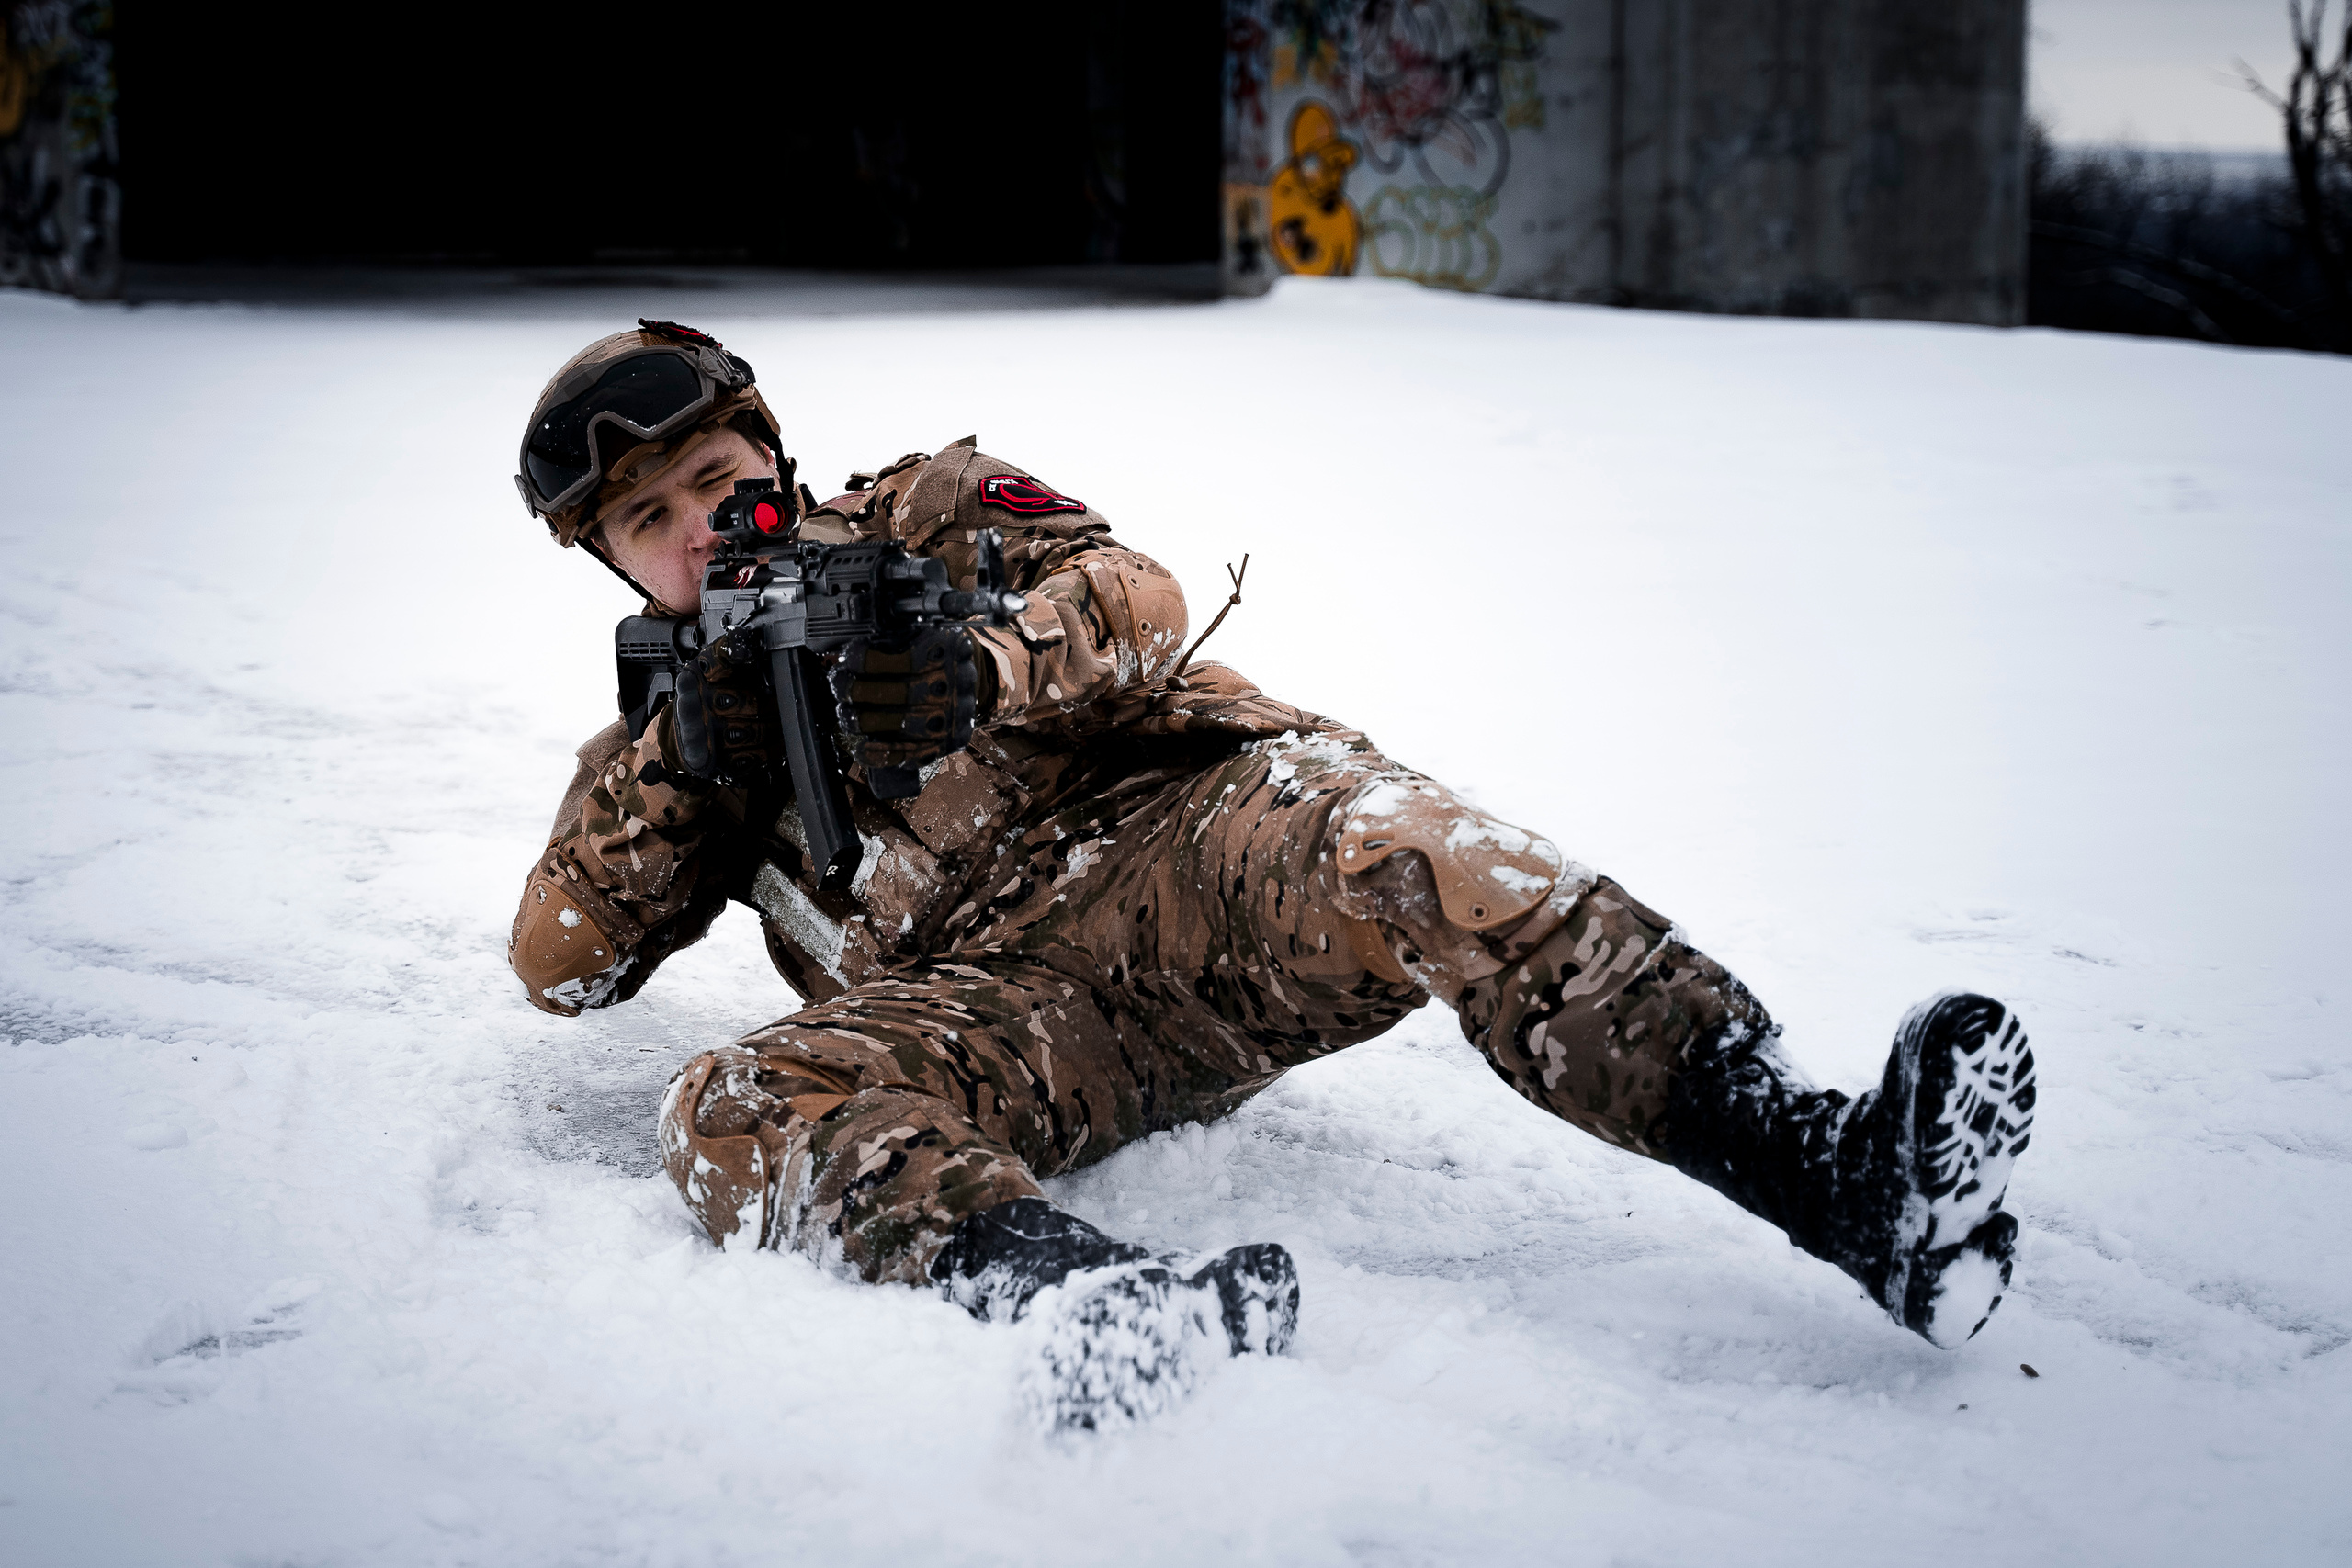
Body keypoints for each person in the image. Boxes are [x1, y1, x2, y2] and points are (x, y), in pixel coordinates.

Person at [507, 321, 2038, 1427]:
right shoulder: (654, 746)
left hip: (1183, 871)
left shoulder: (929, 513)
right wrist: (682, 763)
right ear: (613, 563)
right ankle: (1074, 1297)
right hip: (1010, 1020)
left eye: (715, 478)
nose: (700, 531)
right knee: (729, 1101)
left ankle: (1828, 1168)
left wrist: (981, 665)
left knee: (1402, 843)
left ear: (770, 454)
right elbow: (558, 964)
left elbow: (1139, 593)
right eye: (650, 520)